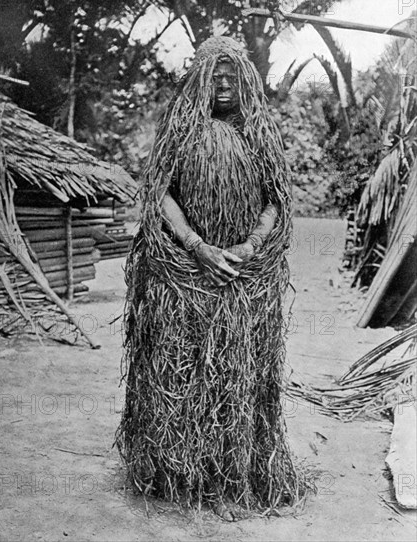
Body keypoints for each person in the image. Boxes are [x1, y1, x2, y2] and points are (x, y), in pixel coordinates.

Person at [117, 36, 303, 517]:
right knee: (183, 373)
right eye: (214, 76)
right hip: (184, 276)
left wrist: (248, 247)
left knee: (237, 378)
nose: (223, 85)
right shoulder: (179, 128)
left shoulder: (258, 131)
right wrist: (196, 247)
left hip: (245, 277)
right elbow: (159, 191)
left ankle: (233, 473)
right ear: (199, 79)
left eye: (231, 77)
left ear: (245, 81)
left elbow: (275, 199)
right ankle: (178, 474)